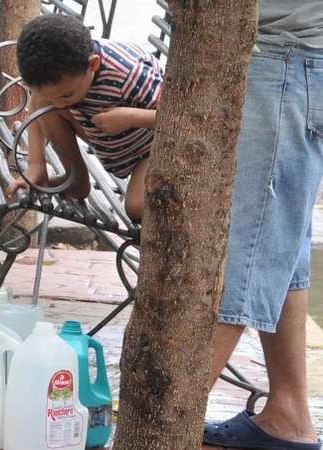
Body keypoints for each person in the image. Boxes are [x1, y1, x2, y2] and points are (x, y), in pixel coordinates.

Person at [203, 1, 323, 449]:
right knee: (280, 245)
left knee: (245, 252)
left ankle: (163, 431)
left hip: (283, 56)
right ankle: (288, 414)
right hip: (287, 54)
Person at [5, 14, 164, 222]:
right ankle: (76, 179)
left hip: (149, 149)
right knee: (44, 103)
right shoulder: (65, 80)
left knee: (137, 208)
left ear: (93, 65)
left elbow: (179, 120)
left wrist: (131, 117)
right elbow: (38, 102)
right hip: (106, 135)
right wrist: (36, 164)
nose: (60, 105)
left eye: (67, 95)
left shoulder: (130, 75)